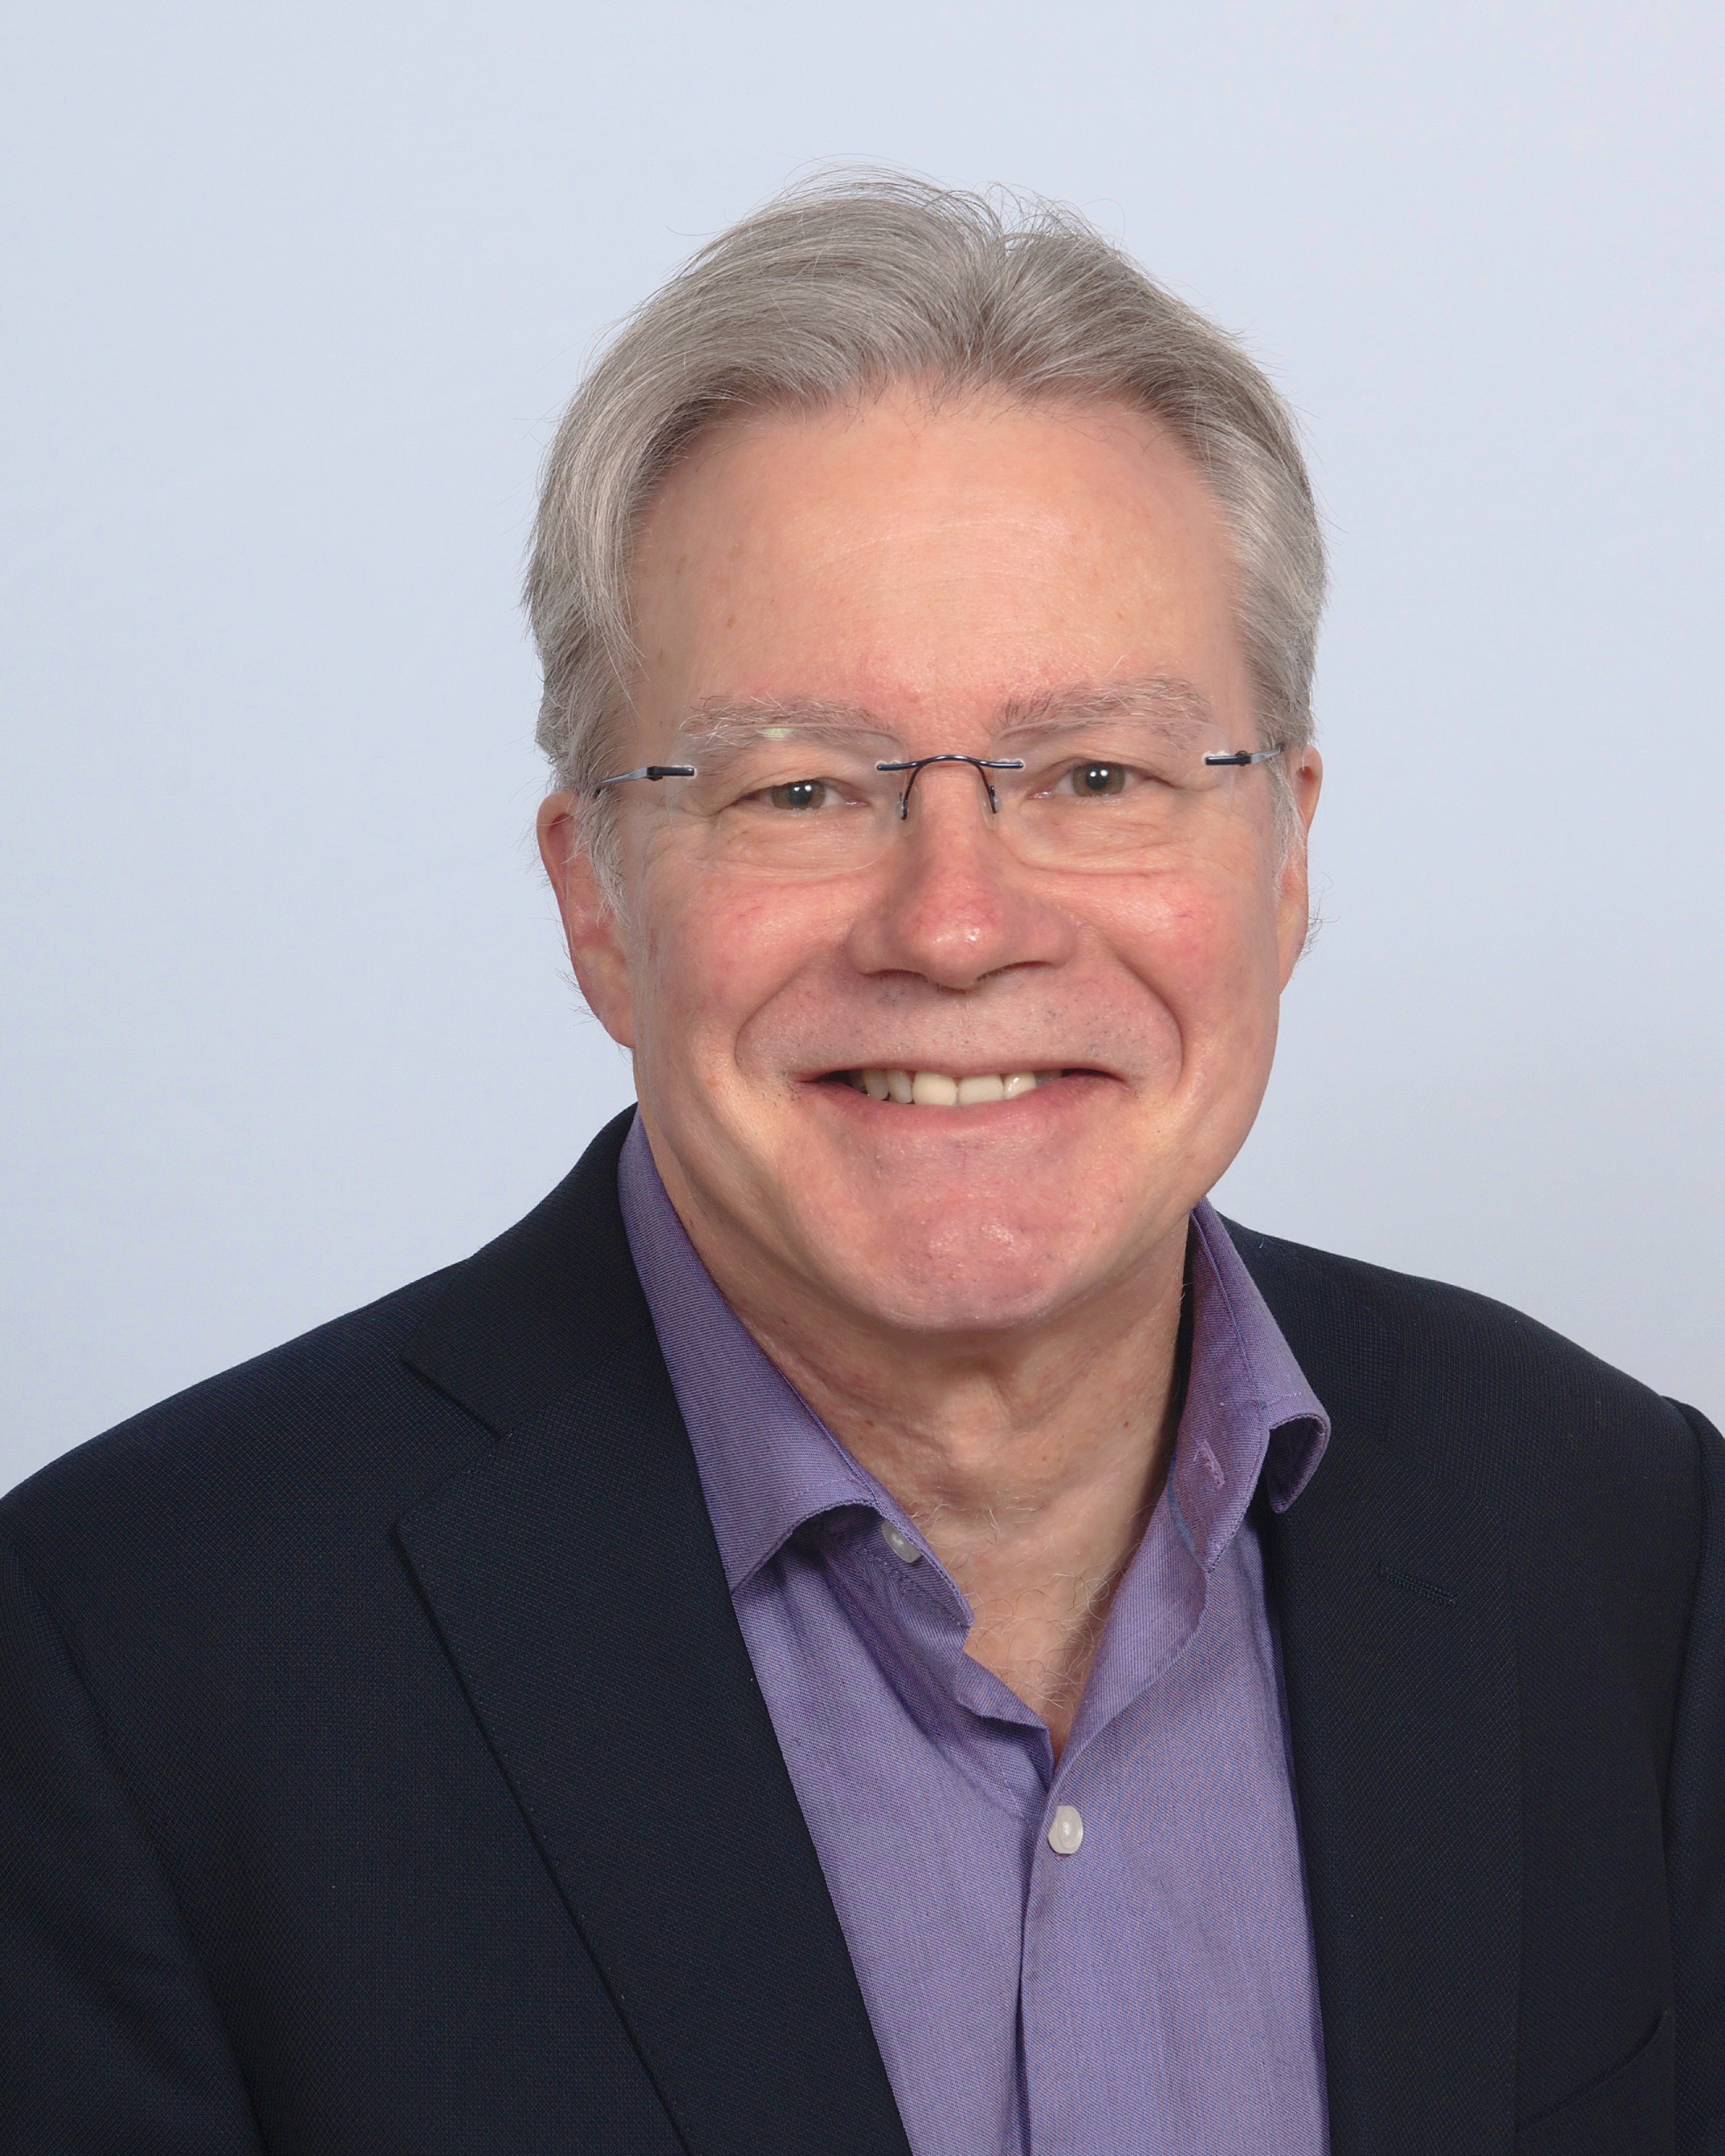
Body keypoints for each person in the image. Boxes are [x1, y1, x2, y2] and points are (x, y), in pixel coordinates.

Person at [1, 173, 1719, 2156]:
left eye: (1097, 775)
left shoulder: (1631, 1548)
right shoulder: (135, 1664)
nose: (958, 926)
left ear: (1285, 861)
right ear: (597, 901)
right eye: (802, 790)